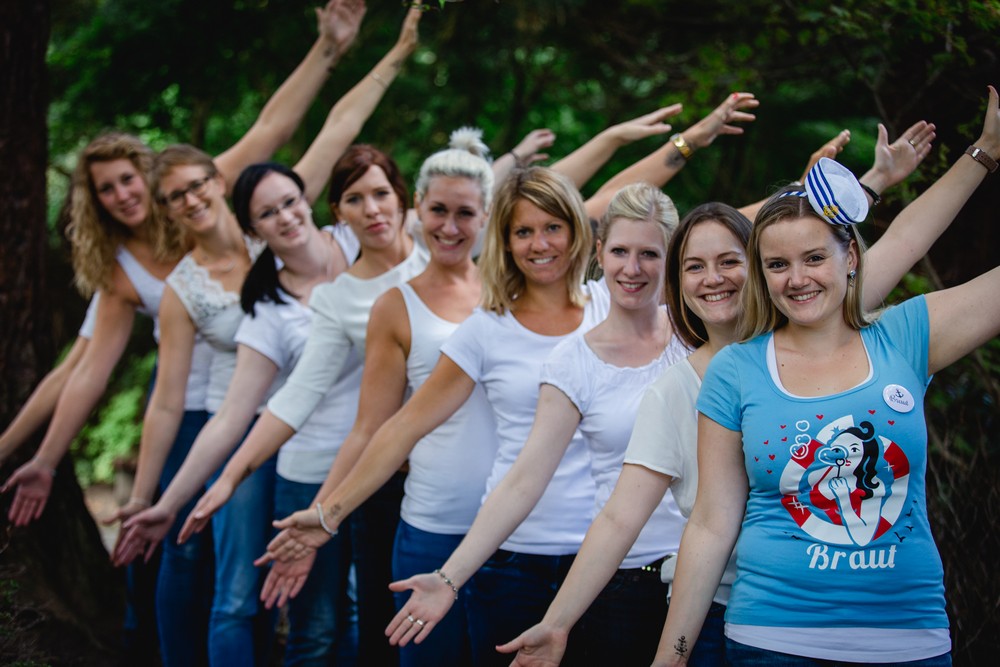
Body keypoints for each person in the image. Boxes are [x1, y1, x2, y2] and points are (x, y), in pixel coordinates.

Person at [494, 118, 941, 667]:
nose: (714, 279)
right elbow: (620, 517)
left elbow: (867, 245)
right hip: (714, 612)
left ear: (760, 267)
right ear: (678, 282)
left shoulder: (818, 332)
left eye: (730, 261)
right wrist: (558, 621)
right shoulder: (673, 389)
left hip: (845, 614)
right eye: (694, 267)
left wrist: (888, 177)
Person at [653, 86, 1000, 666]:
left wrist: (987, 150)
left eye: (815, 258)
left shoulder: (904, 337)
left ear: (851, 258)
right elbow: (711, 526)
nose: (797, 279)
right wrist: (672, 656)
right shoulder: (736, 370)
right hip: (770, 642)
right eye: (777, 264)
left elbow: (911, 238)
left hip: (909, 641)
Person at [259, 165, 612, 666]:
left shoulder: (609, 307)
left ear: (576, 229)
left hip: (605, 552)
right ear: (505, 240)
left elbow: (654, 229)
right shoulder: (486, 328)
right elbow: (403, 426)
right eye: (523, 232)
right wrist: (328, 515)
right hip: (511, 552)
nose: (539, 244)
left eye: (553, 227)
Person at [184, 128, 497, 667]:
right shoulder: (357, 299)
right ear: (338, 212)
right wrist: (234, 478)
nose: (372, 209)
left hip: (482, 483)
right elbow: (311, 400)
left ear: (403, 200)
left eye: (380, 194)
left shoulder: (470, 261)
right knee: (372, 626)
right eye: (355, 198)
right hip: (382, 478)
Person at [115, 161, 361, 665]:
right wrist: (162, 500)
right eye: (268, 213)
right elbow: (218, 411)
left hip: (383, 456)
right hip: (292, 453)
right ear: (255, 230)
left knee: (364, 604)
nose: (285, 216)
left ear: (307, 199)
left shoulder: (361, 240)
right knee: (280, 606)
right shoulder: (265, 308)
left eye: (290, 202)